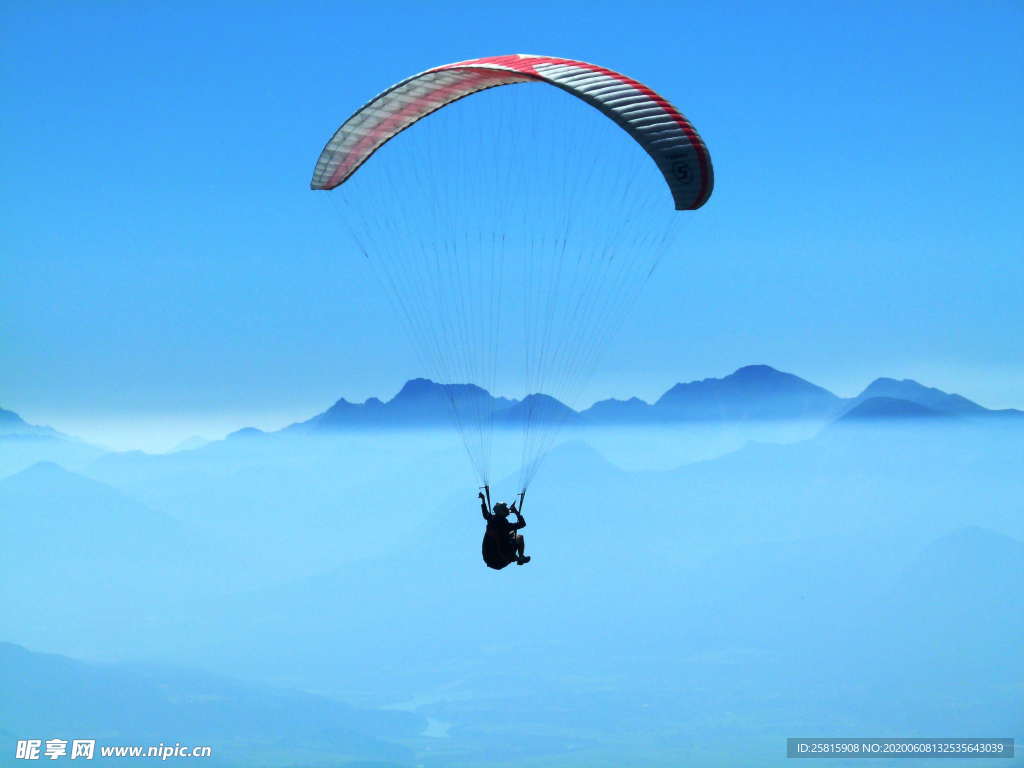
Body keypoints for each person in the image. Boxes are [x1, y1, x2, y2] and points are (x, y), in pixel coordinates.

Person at [479, 488, 530, 569]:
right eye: (505, 509)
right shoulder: (505, 525)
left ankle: (517, 557)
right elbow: (522, 524)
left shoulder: (491, 519)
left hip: (489, 559)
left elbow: (485, 513)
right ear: (502, 511)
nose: (508, 510)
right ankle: (520, 557)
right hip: (500, 560)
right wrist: (516, 512)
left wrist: (483, 499)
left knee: (511, 534)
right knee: (519, 537)